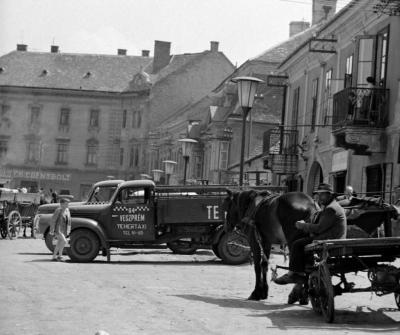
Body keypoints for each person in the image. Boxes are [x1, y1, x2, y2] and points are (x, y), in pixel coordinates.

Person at [274, 183, 347, 285]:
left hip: (328, 239)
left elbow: (319, 228)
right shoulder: (332, 206)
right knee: (304, 242)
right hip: (332, 237)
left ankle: (295, 273)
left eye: (322, 194)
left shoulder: (331, 209)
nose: (319, 197)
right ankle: (304, 268)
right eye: (318, 194)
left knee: (297, 244)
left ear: (330, 195)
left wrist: (303, 225)